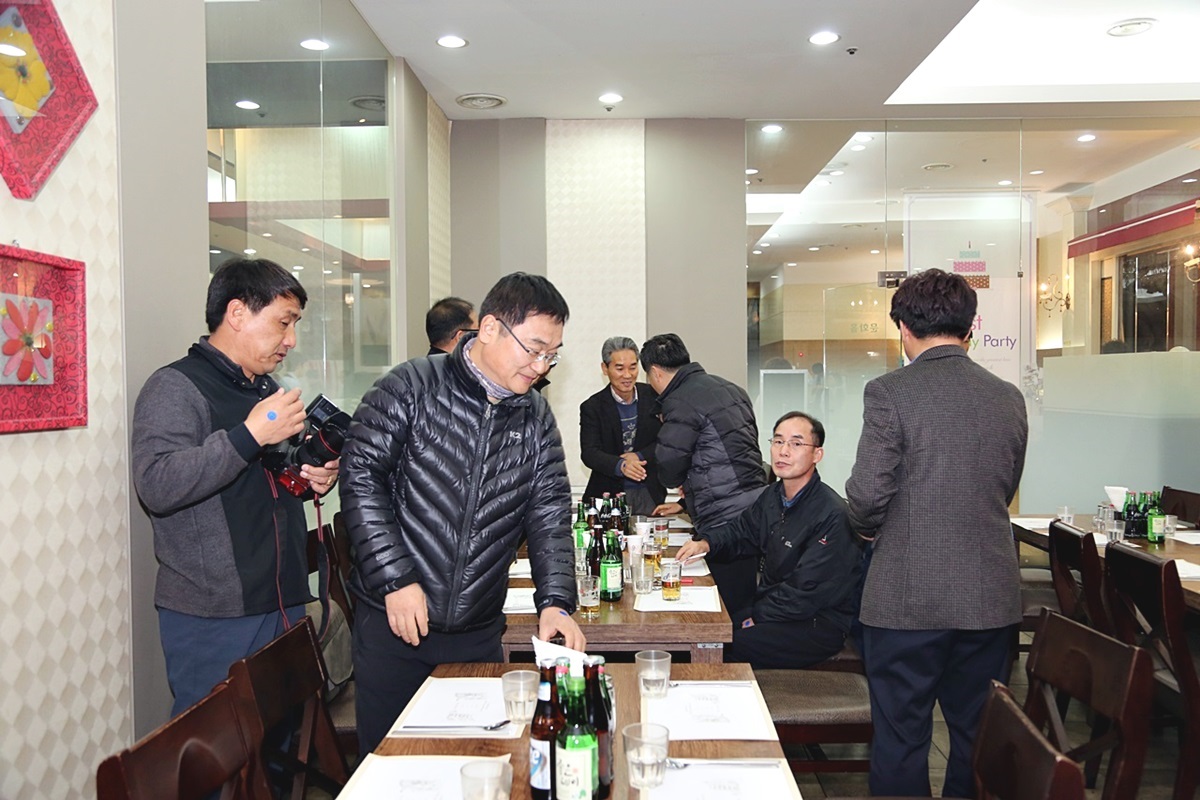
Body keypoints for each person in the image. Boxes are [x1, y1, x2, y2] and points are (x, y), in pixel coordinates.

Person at [339, 272, 587, 757]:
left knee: (475, 764)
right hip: (396, 623)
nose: (541, 365)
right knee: (392, 767)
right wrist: (395, 579)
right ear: (489, 328)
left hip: (476, 631)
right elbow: (360, 478)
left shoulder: (535, 417)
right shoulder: (410, 386)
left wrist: (556, 601)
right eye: (534, 349)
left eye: (552, 354)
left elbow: (550, 513)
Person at [845, 268, 1028, 798]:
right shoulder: (1008, 396)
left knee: (902, 738)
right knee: (976, 737)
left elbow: (866, 496)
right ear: (970, 327)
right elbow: (1005, 485)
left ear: (903, 327)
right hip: (989, 597)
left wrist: (870, 531)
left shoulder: (889, 392)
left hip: (906, 599)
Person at [131, 257, 339, 717]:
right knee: (218, 745)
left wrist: (315, 478)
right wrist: (249, 436)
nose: (291, 340)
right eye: (284, 322)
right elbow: (157, 484)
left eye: (295, 325)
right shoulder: (175, 387)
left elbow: (276, 476)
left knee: (284, 738)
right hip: (216, 612)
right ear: (238, 313)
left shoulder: (266, 388)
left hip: (283, 596)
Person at [676, 411, 861, 668]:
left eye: (796, 444)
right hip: (775, 607)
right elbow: (740, 531)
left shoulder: (831, 514)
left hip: (817, 623)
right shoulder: (773, 496)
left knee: (718, 645)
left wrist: (757, 616)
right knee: (701, 630)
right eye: (778, 441)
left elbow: (805, 591)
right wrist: (706, 543)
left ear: (817, 454)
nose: (783, 451)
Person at [640, 333, 767, 613]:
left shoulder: (680, 400)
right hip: (755, 509)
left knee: (723, 605)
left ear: (656, 372)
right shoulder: (732, 389)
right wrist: (685, 502)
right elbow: (728, 456)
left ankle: (730, 641)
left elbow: (669, 464)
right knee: (743, 595)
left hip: (722, 515)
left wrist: (677, 481)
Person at [579, 336, 665, 515]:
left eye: (633, 367)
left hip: (649, 492)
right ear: (605, 368)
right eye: (619, 368)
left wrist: (638, 456)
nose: (627, 375)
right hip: (608, 495)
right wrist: (622, 465)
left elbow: (667, 440)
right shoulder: (592, 406)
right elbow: (590, 453)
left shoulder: (655, 397)